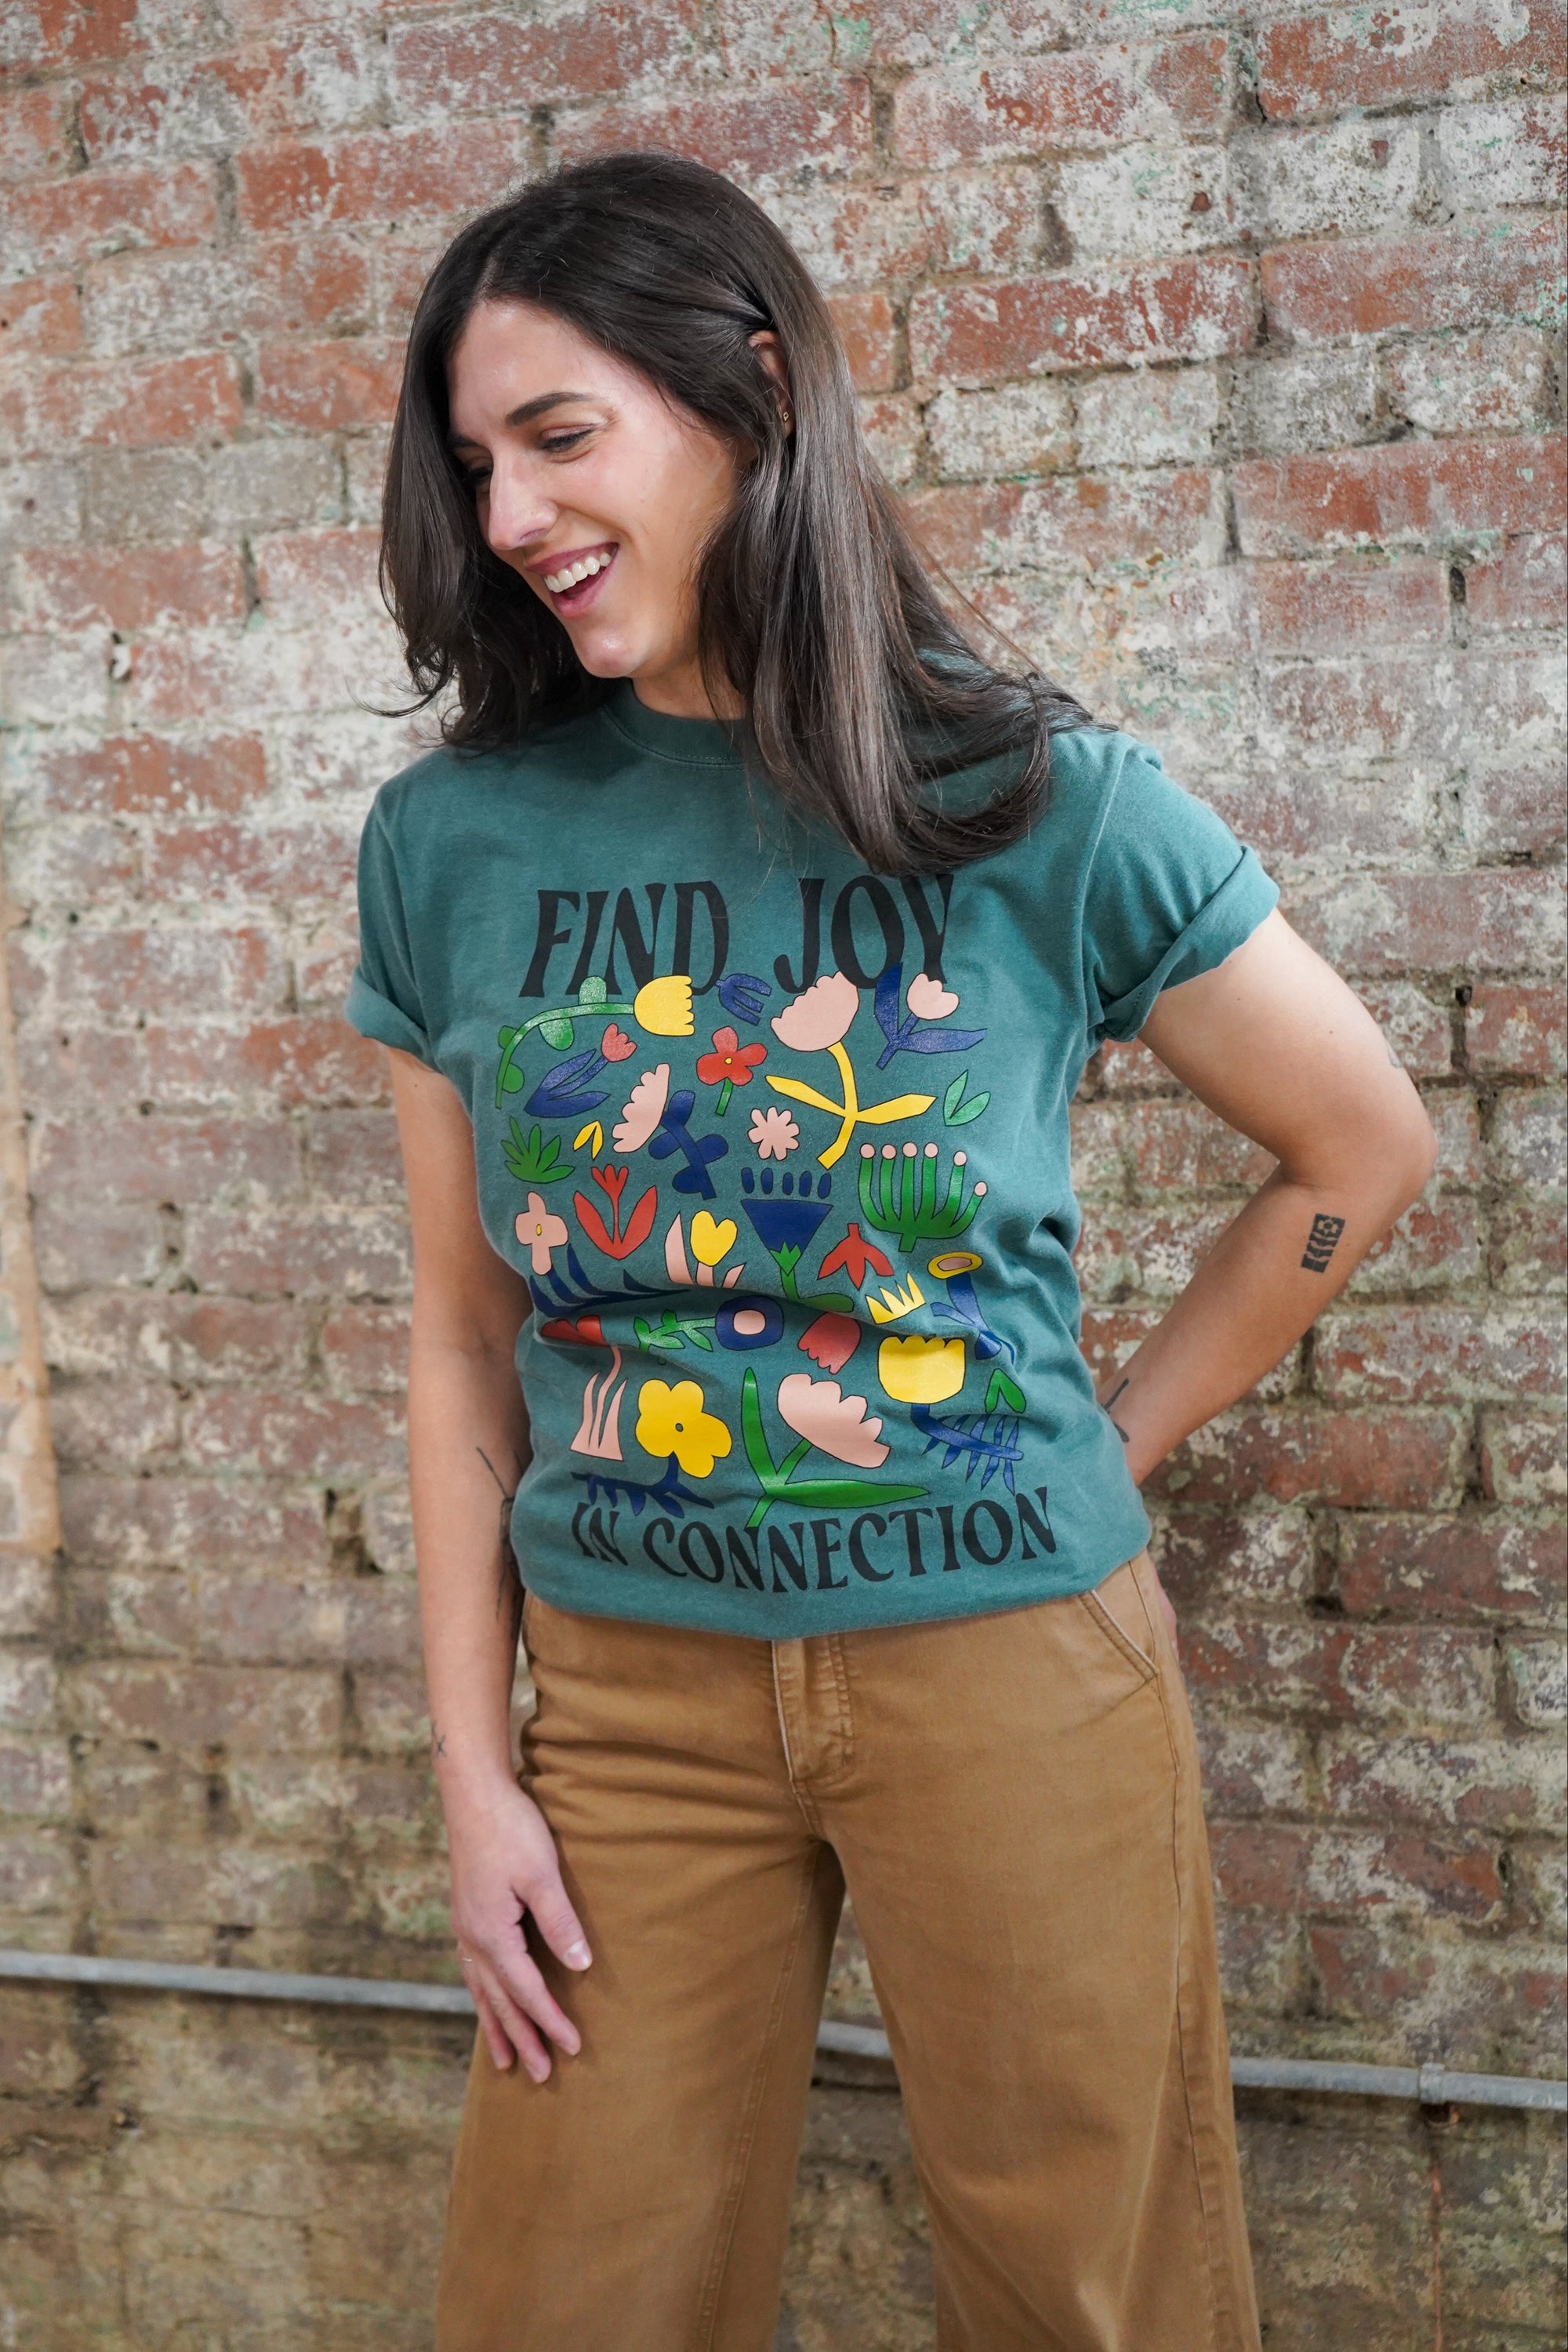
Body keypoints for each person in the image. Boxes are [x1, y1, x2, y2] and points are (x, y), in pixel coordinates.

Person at [345, 151, 1437, 2352]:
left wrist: (1107, 1451)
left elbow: (1358, 1144)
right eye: (476, 468)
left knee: (1090, 2302)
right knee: (566, 2302)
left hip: (1010, 1667)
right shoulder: (451, 843)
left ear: (752, 391)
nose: (514, 514)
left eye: (560, 437)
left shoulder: (1041, 798)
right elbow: (464, 1338)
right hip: (630, 1700)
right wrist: (475, 1780)